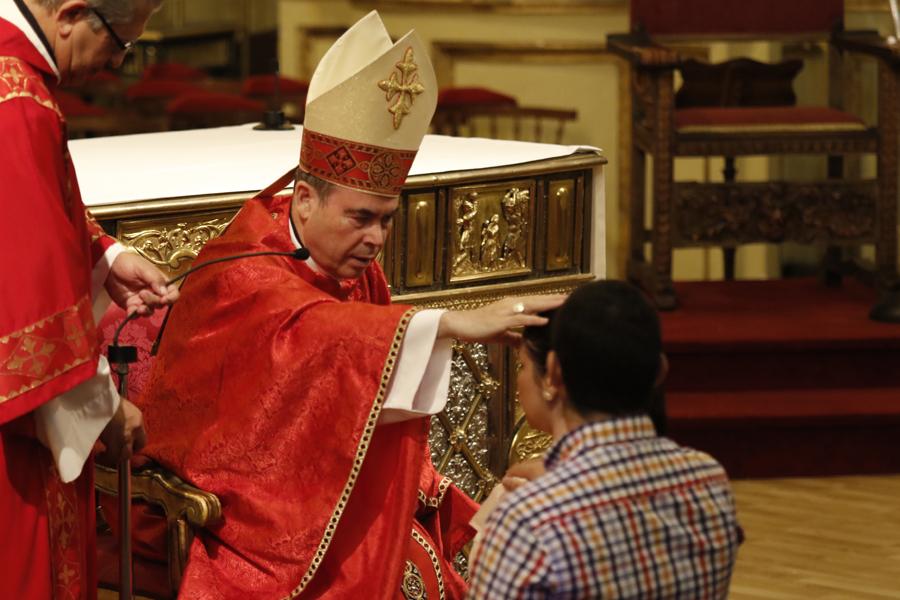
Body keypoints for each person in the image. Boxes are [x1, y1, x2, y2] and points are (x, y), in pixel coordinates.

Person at [137, 11, 562, 600]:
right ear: (305, 200)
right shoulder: (238, 271)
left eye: (386, 220)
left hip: (329, 488)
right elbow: (311, 332)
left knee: (421, 564)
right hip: (245, 512)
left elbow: (355, 368)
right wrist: (448, 323)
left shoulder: (356, 268)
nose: (376, 239)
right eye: (360, 218)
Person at [0, 0, 178, 598]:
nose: (116, 64)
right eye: (119, 45)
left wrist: (103, 255)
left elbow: (28, 214)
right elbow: (29, 309)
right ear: (74, 14)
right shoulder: (19, 102)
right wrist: (103, 406)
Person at [467, 280, 742, 599]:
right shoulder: (708, 479)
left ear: (553, 373)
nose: (520, 378)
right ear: (660, 372)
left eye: (522, 365)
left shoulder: (529, 520)